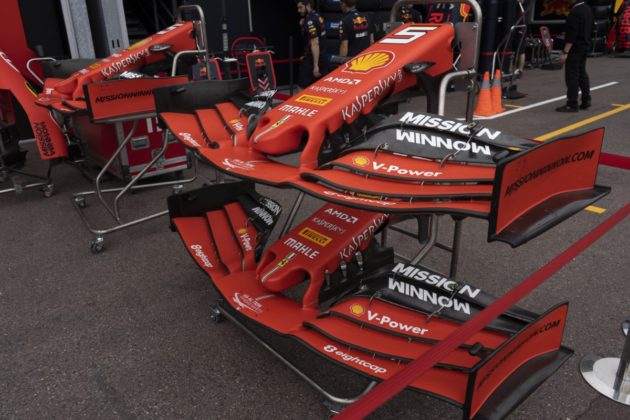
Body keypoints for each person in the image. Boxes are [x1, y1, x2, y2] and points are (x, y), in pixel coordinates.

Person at [556, 0, 593, 112]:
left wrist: (565, 52)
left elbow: (572, 34)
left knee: (572, 76)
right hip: (584, 45)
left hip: (575, 48)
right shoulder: (587, 9)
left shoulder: (575, 12)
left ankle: (572, 103)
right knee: (582, 73)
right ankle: (586, 99)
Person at [296, 0, 327, 88]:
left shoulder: (310, 21)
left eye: (300, 7)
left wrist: (315, 65)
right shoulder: (318, 16)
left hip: (311, 60)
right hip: (322, 57)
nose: (299, 10)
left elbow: (315, 43)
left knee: (301, 88)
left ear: (308, 5)